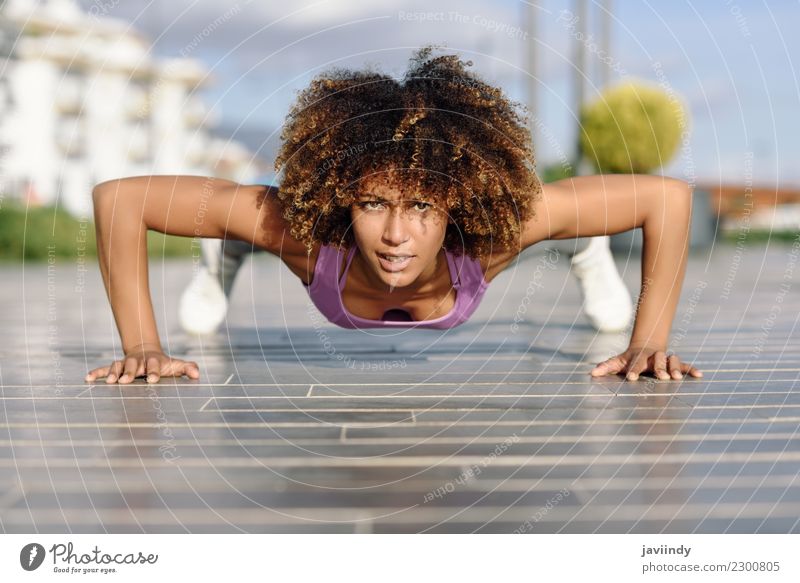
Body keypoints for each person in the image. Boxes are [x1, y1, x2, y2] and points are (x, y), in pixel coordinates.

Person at [85, 45, 702, 385]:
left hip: (495, 240)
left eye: (422, 206)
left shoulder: (491, 233)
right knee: (254, 221)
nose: (397, 234)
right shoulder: (305, 233)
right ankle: (230, 252)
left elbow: (666, 199)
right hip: (289, 232)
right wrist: (143, 345)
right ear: (343, 198)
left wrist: (647, 343)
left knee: (555, 227)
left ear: (454, 202)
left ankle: (583, 250)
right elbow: (121, 199)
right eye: (373, 203)